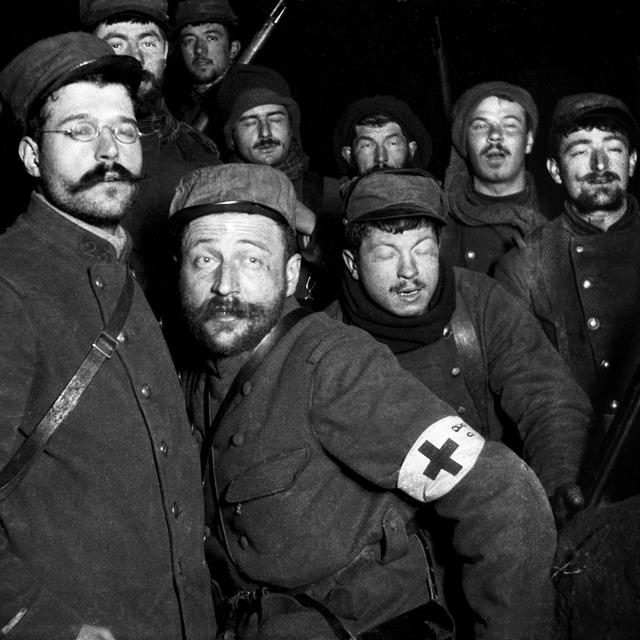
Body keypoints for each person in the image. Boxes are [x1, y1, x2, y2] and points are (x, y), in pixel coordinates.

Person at [170, 162, 557, 640]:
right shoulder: (185, 377)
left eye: (252, 259)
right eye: (205, 259)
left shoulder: (331, 363)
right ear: (179, 271)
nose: (226, 285)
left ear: (291, 275)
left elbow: (502, 494)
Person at [0, 32, 214, 640]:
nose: (109, 150)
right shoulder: (10, 285)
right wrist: (38, 624)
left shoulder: (127, 269)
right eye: (78, 131)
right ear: (31, 157)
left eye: (123, 129)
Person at [326, 167, 592, 529]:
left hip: (500, 518)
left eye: (423, 250)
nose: (409, 270)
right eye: (387, 254)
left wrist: (559, 482)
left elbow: (546, 394)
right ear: (352, 264)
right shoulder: (327, 342)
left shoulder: (479, 302)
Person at [495, 93, 640, 497]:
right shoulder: (526, 267)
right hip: (590, 462)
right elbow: (536, 389)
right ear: (554, 170)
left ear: (631, 163)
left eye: (613, 149)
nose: (599, 165)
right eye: (580, 152)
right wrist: (561, 478)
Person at [80, 0, 221, 334]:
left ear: (166, 51)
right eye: (116, 44)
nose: (136, 59)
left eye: (147, 42)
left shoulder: (199, 159)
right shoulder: (64, 155)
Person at [217, 63, 342, 308]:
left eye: (275, 119)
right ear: (232, 137)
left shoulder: (335, 195)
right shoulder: (217, 197)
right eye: (249, 122)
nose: (265, 132)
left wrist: (316, 229)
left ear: (291, 128)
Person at [439, 81, 546, 276]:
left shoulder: (556, 215)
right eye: (480, 125)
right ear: (464, 141)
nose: (495, 136)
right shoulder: (440, 224)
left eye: (509, 125)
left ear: (529, 139)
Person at [169, 0, 240, 150]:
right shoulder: (174, 112)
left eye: (211, 38)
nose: (200, 49)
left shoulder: (251, 98)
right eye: (189, 40)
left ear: (233, 49)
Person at [333, 94, 433, 177]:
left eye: (392, 144)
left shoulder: (434, 198)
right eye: (367, 145)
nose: (381, 158)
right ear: (348, 155)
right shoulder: (332, 199)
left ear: (411, 150)